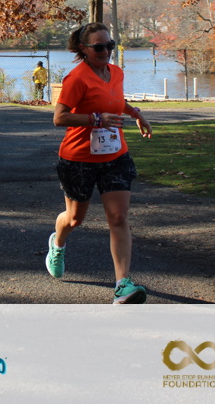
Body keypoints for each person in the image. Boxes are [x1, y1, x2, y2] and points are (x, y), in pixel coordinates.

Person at [46, 22, 153, 304]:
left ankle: (123, 285)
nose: (106, 51)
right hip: (78, 159)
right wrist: (95, 119)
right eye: (99, 47)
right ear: (84, 49)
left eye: (109, 45)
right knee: (74, 219)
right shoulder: (76, 78)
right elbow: (59, 117)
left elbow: (114, 99)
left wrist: (136, 113)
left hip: (115, 156)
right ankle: (57, 243)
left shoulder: (116, 72)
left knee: (118, 218)